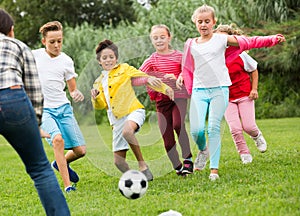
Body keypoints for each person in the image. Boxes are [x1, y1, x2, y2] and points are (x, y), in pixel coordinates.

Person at [177, 4, 285, 180]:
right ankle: (204, 150)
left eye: (207, 21)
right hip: (199, 90)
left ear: (213, 22)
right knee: (196, 131)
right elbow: (188, 65)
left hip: (219, 89)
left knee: (213, 127)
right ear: (195, 23)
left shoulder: (221, 39)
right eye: (200, 22)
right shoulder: (190, 43)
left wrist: (271, 39)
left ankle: (214, 170)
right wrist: (182, 75)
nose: (203, 25)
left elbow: (249, 41)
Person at [0, 9, 70, 215]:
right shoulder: (18, 46)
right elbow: (33, 89)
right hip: (14, 100)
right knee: (40, 169)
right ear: (11, 31)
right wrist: (36, 122)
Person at [91, 39, 174, 181]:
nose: (108, 60)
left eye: (111, 57)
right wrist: (96, 98)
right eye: (104, 58)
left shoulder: (124, 68)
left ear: (116, 58)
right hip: (116, 120)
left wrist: (165, 88)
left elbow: (143, 77)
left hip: (133, 111)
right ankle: (135, 178)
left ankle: (143, 166)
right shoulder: (98, 82)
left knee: (128, 131)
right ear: (99, 61)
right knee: (119, 162)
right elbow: (100, 106)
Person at [32, 21, 86, 192]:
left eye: (59, 41)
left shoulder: (66, 61)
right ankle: (67, 186)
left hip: (63, 108)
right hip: (44, 109)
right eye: (52, 42)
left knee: (81, 151)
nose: (56, 45)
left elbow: (72, 89)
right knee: (57, 140)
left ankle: (59, 163)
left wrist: (77, 94)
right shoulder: (35, 55)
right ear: (43, 42)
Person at [139, 24, 193, 176]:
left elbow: (188, 71)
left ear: (169, 38)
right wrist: (150, 78)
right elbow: (137, 76)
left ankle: (188, 159)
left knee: (178, 124)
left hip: (179, 97)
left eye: (162, 37)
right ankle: (177, 166)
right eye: (155, 38)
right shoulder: (151, 60)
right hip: (161, 102)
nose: (159, 40)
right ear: (151, 40)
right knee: (167, 139)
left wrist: (178, 77)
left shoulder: (179, 56)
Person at [214, 24, 267, 164]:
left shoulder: (240, 53)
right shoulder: (213, 57)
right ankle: (244, 153)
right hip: (226, 98)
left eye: (224, 38)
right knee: (235, 128)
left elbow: (253, 70)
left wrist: (254, 89)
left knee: (249, 126)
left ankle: (257, 136)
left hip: (245, 95)